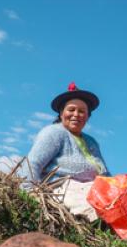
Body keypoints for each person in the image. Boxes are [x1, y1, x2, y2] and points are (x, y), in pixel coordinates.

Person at [25, 82, 110, 220]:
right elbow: (32, 163)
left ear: (88, 116)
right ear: (61, 113)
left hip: (95, 189)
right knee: (97, 212)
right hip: (65, 188)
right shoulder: (54, 133)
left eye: (82, 111)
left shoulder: (92, 142)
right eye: (71, 110)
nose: (76, 114)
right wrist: (31, 193)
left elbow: (105, 173)